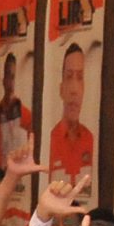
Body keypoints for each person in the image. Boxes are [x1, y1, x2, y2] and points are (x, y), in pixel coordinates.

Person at [47, 42, 95, 185]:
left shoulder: (90, 140)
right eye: (69, 77)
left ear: (84, 88)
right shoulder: (50, 139)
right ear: (61, 89)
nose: (74, 89)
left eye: (79, 78)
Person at [0, 50, 32, 184]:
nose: (10, 82)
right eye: (8, 76)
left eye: (13, 77)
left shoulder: (24, 113)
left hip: (20, 178)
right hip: (2, 176)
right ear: (3, 79)